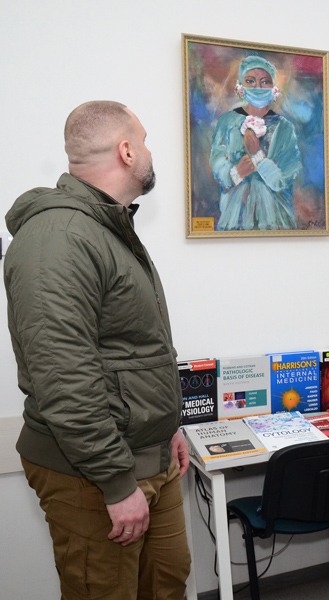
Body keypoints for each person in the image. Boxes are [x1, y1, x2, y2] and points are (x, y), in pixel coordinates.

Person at [4, 100, 191, 599]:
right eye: (144, 141)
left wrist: (166, 429)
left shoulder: (108, 229)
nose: (149, 152)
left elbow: (131, 349)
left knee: (168, 582)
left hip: (149, 457)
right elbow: (64, 378)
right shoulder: (59, 239)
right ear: (127, 151)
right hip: (92, 473)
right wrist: (116, 482)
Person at [210, 54, 302, 230]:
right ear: (241, 87)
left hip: (275, 220)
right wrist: (236, 172)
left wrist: (257, 157)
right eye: (250, 81)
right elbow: (217, 161)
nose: (258, 87)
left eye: (265, 81)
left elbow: (285, 177)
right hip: (234, 219)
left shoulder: (284, 128)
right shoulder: (227, 122)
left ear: (274, 88)